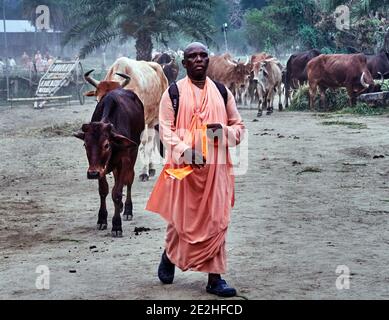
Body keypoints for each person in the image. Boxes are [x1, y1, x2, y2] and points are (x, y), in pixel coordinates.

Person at [146, 42, 245, 297]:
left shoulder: (223, 93)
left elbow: (239, 129)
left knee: (218, 220)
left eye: (203, 55)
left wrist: (221, 131)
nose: (199, 59)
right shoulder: (173, 94)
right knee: (181, 220)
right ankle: (170, 254)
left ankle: (215, 278)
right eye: (193, 56)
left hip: (217, 171)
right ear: (184, 63)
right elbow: (165, 130)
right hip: (185, 171)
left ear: (208, 60)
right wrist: (186, 152)